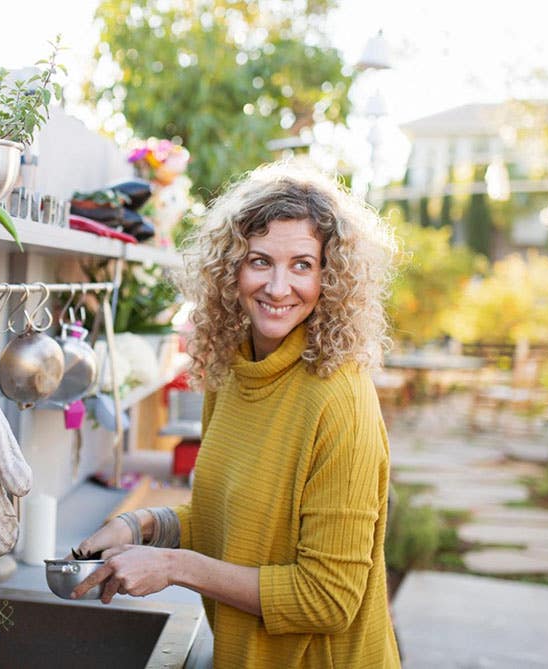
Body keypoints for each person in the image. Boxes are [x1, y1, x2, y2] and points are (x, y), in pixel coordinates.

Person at [72, 161, 401, 668]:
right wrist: (143, 526)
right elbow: (236, 520)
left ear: (331, 277)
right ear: (231, 269)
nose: (276, 286)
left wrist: (175, 566)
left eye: (302, 265)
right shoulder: (233, 370)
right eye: (259, 261)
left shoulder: (341, 399)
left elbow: (328, 599)